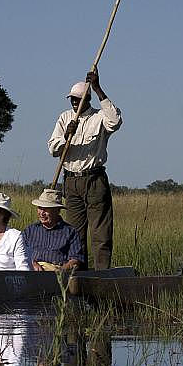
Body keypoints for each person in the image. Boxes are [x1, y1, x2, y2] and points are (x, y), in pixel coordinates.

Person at [47, 68, 122, 269]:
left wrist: (98, 89)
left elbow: (115, 121)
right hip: (70, 181)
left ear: (88, 99)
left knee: (101, 234)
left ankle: (101, 277)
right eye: (72, 99)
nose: (74, 102)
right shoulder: (64, 118)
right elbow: (53, 149)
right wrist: (65, 137)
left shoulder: (99, 117)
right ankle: (77, 278)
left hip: (95, 180)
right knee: (74, 234)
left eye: (78, 99)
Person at [22, 189, 85, 271]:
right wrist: (32, 263)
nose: (42, 213)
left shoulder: (70, 232)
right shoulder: (30, 230)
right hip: (32, 273)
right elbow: (20, 254)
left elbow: (76, 259)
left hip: (57, 272)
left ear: (57, 210)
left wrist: (61, 270)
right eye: (40, 208)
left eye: (46, 209)